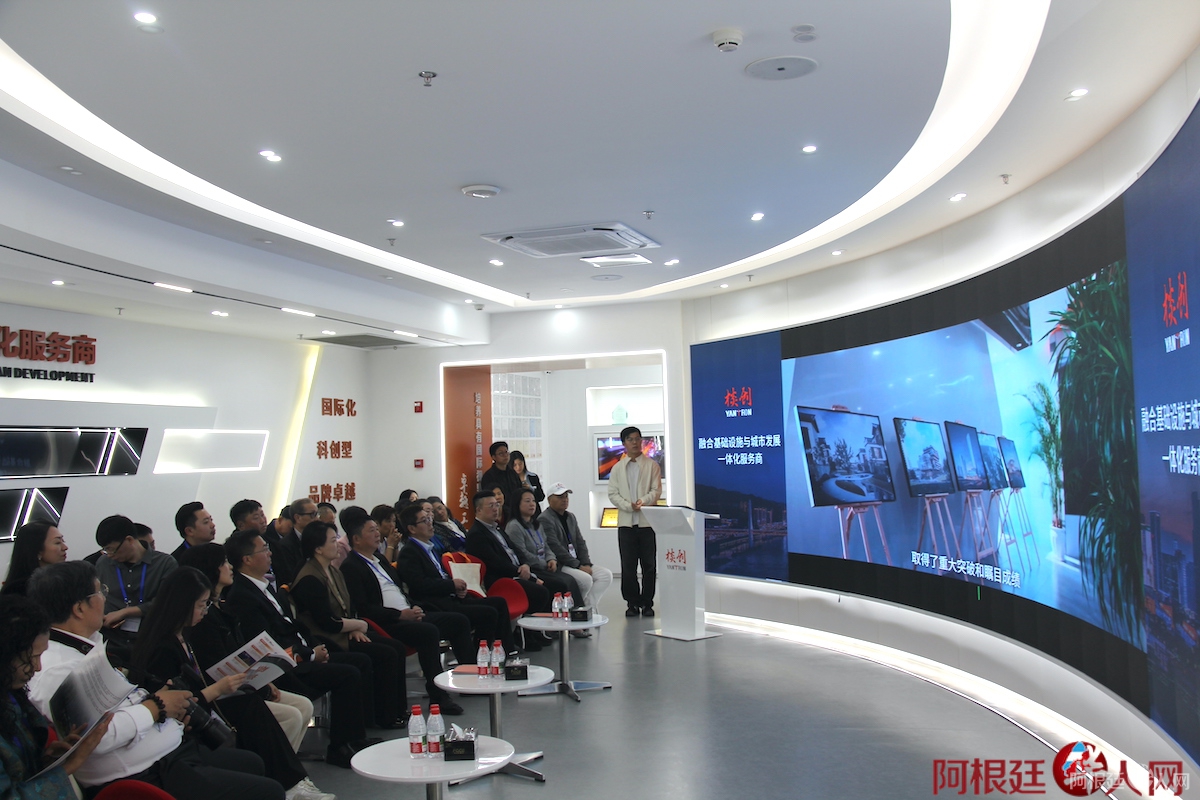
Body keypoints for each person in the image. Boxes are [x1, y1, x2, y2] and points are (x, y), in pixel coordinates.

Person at [26, 562, 282, 800]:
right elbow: (94, 738)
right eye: (100, 592)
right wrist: (155, 707)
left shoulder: (86, 646)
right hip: (142, 775)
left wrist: (158, 705)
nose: (105, 598)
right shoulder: (57, 669)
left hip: (166, 752)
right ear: (80, 608)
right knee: (269, 791)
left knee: (252, 762)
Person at [130, 568, 333, 800]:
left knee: (254, 704)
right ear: (182, 605)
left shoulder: (184, 635)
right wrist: (218, 688)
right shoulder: (162, 649)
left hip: (204, 704)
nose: (205, 611)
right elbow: (178, 703)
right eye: (201, 605)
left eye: (207, 604)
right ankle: (289, 782)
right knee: (250, 708)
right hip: (185, 726)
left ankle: (290, 780)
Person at [221, 531, 380, 768]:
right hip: (287, 666)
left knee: (361, 660)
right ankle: (339, 747)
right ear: (247, 559)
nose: (270, 553)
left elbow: (293, 624)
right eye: (264, 549)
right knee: (348, 674)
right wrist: (311, 654)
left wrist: (313, 646)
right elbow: (267, 642)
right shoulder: (243, 597)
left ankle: (355, 737)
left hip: (301, 650)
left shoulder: (264, 586)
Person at [175, 545, 314, 754]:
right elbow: (218, 667)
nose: (230, 567)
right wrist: (258, 685)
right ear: (212, 568)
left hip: (244, 683)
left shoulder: (222, 607)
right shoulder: (204, 620)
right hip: (225, 693)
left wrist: (263, 680)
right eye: (224, 562)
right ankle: (277, 768)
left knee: (304, 706)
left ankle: (285, 764)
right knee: (291, 716)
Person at [336, 507, 466, 714]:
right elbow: (364, 608)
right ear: (356, 539)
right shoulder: (351, 567)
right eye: (371, 530)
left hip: (407, 613)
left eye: (376, 529)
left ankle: (468, 677)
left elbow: (399, 590)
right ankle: (439, 697)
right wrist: (400, 615)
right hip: (388, 622)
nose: (377, 534)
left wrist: (413, 607)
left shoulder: (380, 560)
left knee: (458, 620)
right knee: (428, 632)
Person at [288, 523, 409, 728]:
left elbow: (347, 607)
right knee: (383, 653)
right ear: (318, 549)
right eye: (332, 541)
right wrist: (357, 625)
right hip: (325, 637)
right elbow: (326, 621)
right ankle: (382, 716)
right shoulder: (309, 578)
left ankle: (396, 710)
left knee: (395, 647)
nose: (338, 544)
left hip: (344, 630)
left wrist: (354, 627)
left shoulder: (332, 570)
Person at [0, 594, 112, 800]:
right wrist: (69, 766)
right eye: (31, 658)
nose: (38, 667)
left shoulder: (11, 696)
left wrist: (46, 760)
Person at [394, 505, 517, 654]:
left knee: (499, 602)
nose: (430, 523)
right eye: (424, 520)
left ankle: (506, 650)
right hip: (436, 603)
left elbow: (441, 575)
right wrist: (451, 585)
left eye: (430, 519)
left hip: (451, 597)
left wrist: (456, 588)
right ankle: (478, 655)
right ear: (412, 528)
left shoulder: (430, 548)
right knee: (487, 613)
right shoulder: (409, 553)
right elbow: (420, 584)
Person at [464, 491, 552, 621]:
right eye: (491, 506)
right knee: (541, 592)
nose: (496, 509)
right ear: (479, 510)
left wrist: (525, 564)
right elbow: (496, 563)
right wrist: (522, 572)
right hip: (501, 579)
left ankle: (543, 626)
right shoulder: (477, 534)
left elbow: (515, 549)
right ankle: (528, 628)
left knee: (555, 584)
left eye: (497, 505)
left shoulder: (497, 528)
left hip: (517, 571)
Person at [94, 515, 178, 650]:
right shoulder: (103, 564)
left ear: (129, 540)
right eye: (105, 549)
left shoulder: (164, 564)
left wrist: (126, 612)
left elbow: (167, 602)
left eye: (111, 549)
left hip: (151, 640)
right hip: (111, 640)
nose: (109, 554)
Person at [607, 426, 663, 617]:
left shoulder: (652, 465)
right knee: (628, 566)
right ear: (624, 443)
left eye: (638, 439)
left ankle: (647, 603)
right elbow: (612, 494)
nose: (635, 442)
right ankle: (631, 603)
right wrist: (628, 505)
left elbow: (656, 491)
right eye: (630, 439)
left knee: (649, 566)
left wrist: (643, 501)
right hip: (626, 524)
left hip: (647, 523)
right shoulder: (617, 468)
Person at [539, 483, 614, 616]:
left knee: (605, 575)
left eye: (566, 496)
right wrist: (578, 566)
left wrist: (585, 563)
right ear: (549, 500)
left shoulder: (570, 517)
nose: (565, 500)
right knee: (585, 580)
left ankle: (588, 607)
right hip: (561, 564)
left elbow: (580, 542)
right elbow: (555, 547)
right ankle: (579, 609)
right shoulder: (545, 519)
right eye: (560, 497)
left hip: (576, 561)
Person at [505, 488, 582, 609]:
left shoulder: (536, 524)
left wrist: (551, 559)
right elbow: (522, 553)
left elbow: (546, 546)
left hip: (544, 566)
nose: (532, 504)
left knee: (570, 580)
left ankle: (577, 613)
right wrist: (543, 563)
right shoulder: (514, 526)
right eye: (527, 501)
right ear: (517, 504)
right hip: (532, 568)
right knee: (560, 583)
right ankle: (563, 614)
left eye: (533, 501)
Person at [1, 521, 69, 596]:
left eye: (63, 541)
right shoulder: (19, 591)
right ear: (38, 550)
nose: (65, 547)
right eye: (57, 542)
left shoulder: (63, 580)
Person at [271, 500, 318, 589]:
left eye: (317, 514)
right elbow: (289, 578)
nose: (317, 519)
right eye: (312, 515)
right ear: (297, 518)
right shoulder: (284, 546)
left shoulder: (319, 540)